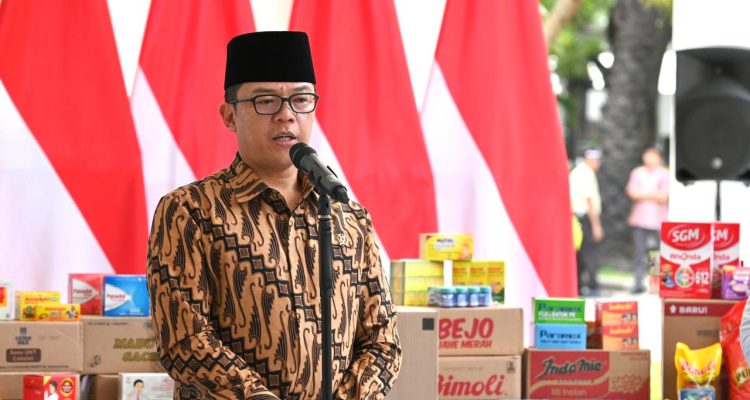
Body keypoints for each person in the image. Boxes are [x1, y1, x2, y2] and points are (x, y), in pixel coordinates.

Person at [147, 31, 401, 400]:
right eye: (266, 101)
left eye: (301, 99)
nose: (287, 114)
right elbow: (184, 340)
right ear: (229, 115)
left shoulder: (347, 215)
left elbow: (383, 340)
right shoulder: (191, 211)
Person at [626, 147, 669, 293]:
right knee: (639, 253)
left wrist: (643, 194)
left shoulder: (664, 174)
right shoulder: (637, 172)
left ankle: (655, 284)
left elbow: (663, 197)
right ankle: (638, 283)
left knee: (656, 255)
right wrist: (653, 194)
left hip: (658, 220)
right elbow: (632, 193)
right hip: (639, 219)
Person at [569, 149, 603, 295]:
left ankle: (578, 286)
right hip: (584, 218)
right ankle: (592, 286)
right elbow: (589, 201)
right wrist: (596, 225)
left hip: (576, 218)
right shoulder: (586, 173)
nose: (597, 163)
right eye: (595, 160)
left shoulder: (576, 172)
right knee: (588, 253)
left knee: (579, 253)